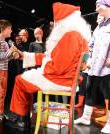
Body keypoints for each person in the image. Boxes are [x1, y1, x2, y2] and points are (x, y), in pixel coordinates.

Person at [7, 2, 91, 130]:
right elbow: (50, 58)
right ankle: (23, 118)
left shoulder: (70, 36)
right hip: (64, 77)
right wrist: (24, 55)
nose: (55, 24)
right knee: (24, 78)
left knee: (20, 80)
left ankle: (21, 119)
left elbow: (58, 66)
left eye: (57, 21)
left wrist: (41, 70)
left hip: (61, 79)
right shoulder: (73, 34)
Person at [74, 0, 110, 133]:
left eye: (99, 5)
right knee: (89, 90)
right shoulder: (99, 27)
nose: (96, 7)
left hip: (107, 68)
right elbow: (91, 45)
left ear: (107, 6)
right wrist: (87, 60)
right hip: (93, 66)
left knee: (108, 93)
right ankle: (86, 117)